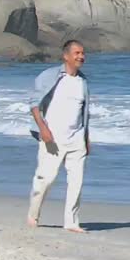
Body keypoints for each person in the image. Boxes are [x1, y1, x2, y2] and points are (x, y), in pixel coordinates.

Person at [26, 39, 91, 232]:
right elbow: (34, 104)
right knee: (45, 180)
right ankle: (33, 215)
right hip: (52, 138)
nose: (81, 56)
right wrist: (43, 129)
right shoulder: (50, 76)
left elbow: (84, 112)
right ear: (66, 56)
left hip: (76, 139)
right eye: (77, 53)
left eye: (82, 53)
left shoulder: (83, 81)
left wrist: (86, 138)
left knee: (76, 182)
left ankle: (71, 222)